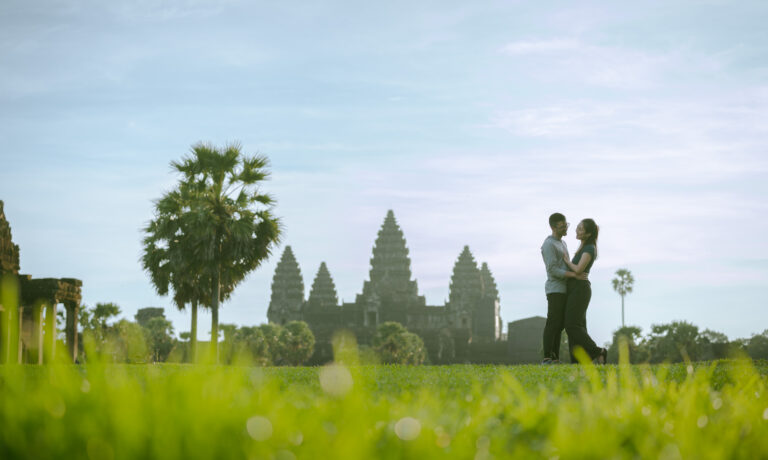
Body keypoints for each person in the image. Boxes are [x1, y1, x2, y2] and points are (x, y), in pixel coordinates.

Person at [541, 213, 587, 364]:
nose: (565, 228)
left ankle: (555, 358)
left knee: (560, 325)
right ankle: (547, 357)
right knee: (553, 323)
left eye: (566, 225)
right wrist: (575, 275)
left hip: (565, 289)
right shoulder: (549, 245)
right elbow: (552, 270)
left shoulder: (563, 243)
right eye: (562, 226)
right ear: (553, 227)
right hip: (555, 289)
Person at [562, 218, 607, 364]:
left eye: (581, 229)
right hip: (574, 289)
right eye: (578, 227)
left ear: (588, 234)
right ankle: (577, 361)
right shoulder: (582, 248)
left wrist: (567, 261)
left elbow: (579, 269)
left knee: (572, 326)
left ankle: (598, 351)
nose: (577, 230)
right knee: (578, 326)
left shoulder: (589, 248)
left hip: (580, 290)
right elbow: (577, 271)